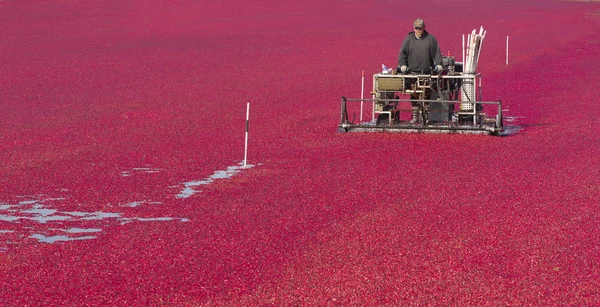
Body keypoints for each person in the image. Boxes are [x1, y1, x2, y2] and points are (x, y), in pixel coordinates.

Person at [398, 18, 443, 123]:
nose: (418, 30)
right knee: (414, 96)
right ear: (413, 28)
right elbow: (402, 54)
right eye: (416, 28)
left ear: (424, 28)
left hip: (426, 73)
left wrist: (439, 64)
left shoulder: (431, 39)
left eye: (420, 28)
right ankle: (415, 116)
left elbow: (437, 53)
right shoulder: (408, 39)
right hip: (412, 74)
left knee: (426, 95)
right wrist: (403, 65)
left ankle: (425, 117)